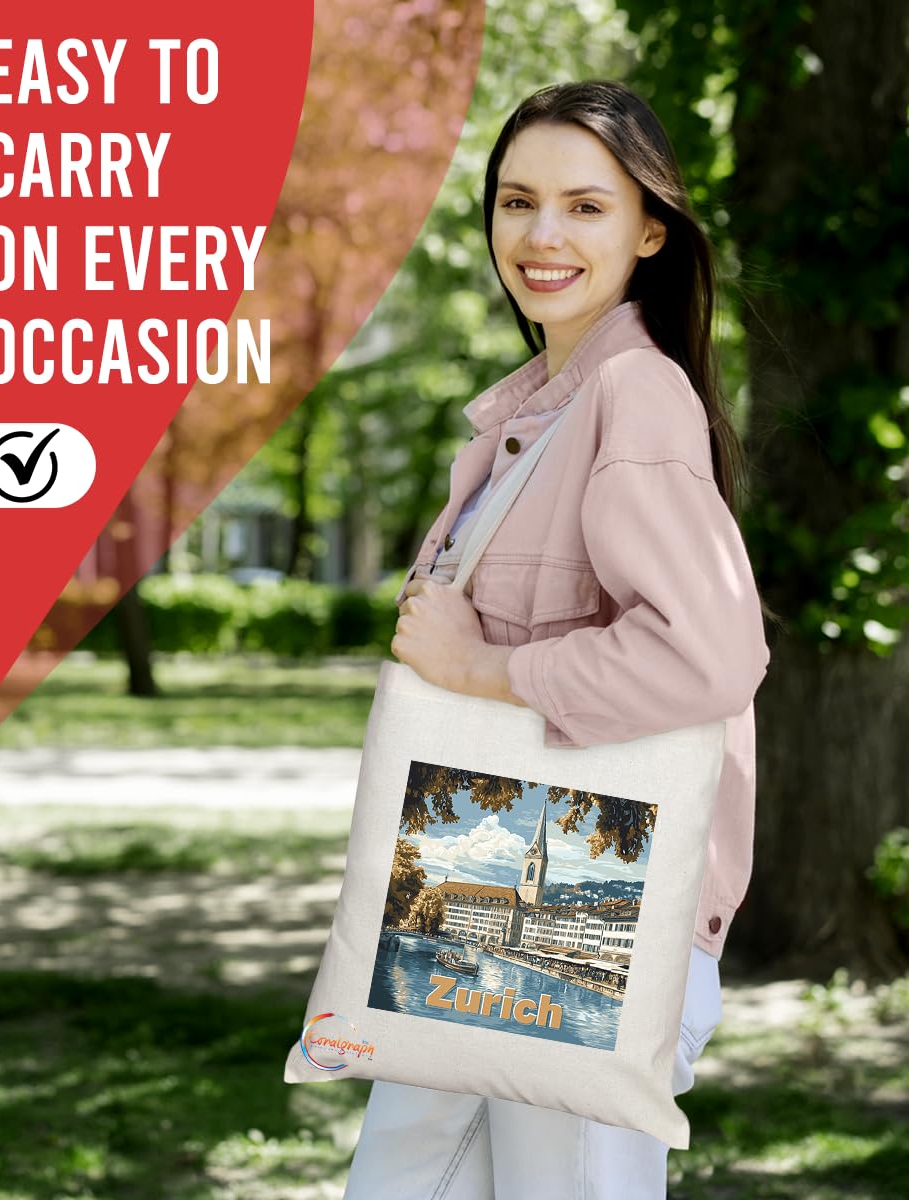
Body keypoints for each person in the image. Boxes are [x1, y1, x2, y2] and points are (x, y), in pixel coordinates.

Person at [342, 79, 770, 1200]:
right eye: (516, 201)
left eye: (584, 207)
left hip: (598, 912)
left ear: (648, 229)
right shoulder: (537, 414)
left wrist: (480, 667)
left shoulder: (634, 398)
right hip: (489, 894)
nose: (540, 236)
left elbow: (707, 659)